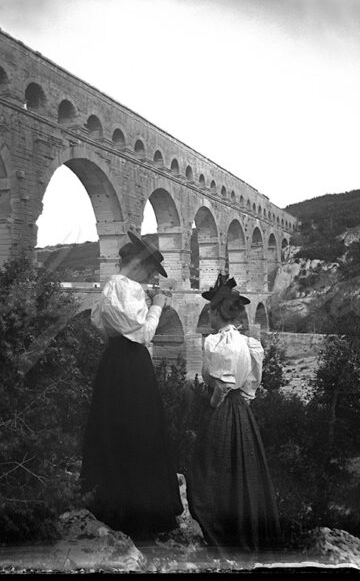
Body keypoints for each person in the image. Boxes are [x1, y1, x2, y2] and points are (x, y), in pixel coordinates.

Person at [80, 231, 183, 540]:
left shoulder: (109, 288)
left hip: (114, 363)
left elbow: (103, 327)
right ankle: (143, 512)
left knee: (114, 427)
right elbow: (142, 334)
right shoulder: (128, 288)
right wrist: (158, 305)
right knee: (141, 428)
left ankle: (113, 502)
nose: (150, 278)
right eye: (149, 271)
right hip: (133, 364)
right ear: (138, 265)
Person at [187, 273, 281, 554]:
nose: (209, 317)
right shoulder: (247, 343)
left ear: (217, 312)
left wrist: (214, 405)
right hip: (241, 411)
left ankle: (224, 532)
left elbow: (224, 385)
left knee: (211, 470)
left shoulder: (217, 343)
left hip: (224, 409)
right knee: (243, 472)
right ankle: (244, 530)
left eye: (210, 311)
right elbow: (249, 384)